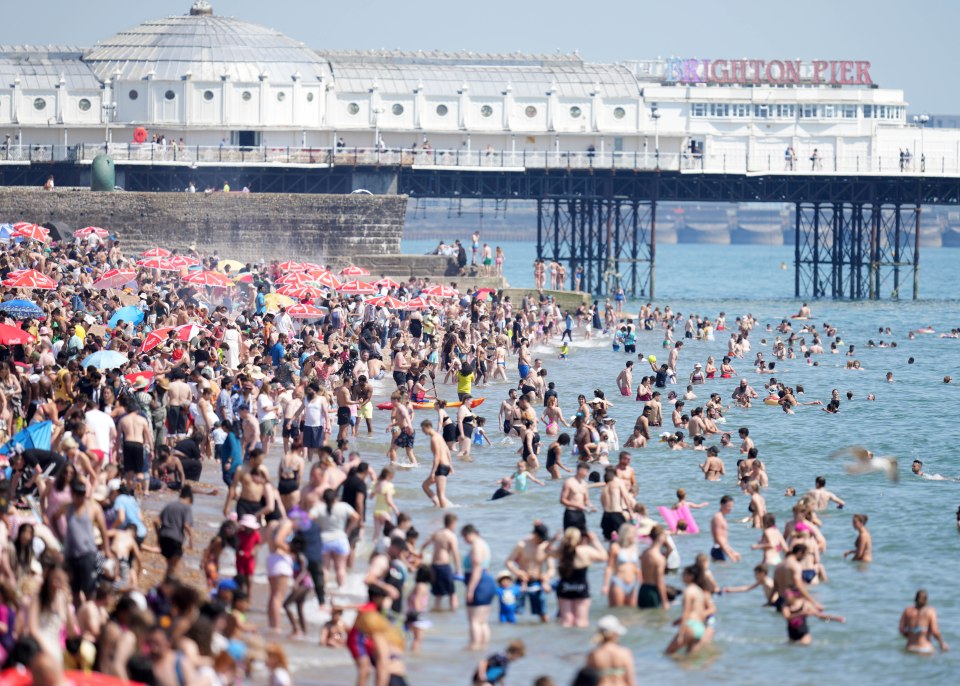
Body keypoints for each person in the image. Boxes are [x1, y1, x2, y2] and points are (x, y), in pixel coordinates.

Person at [553, 527, 607, 628]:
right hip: (581, 587)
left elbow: (545, 552)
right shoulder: (585, 550)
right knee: (581, 622)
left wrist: (554, 540)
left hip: (564, 588)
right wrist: (595, 540)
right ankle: (580, 643)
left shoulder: (561, 551)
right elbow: (604, 556)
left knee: (566, 622)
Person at [462, 524, 496, 650]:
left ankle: (474, 647)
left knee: (474, 621)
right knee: (483, 622)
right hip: (487, 583)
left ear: (469, 534)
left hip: (479, 584)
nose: (464, 540)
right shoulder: (484, 544)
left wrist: (470, 590)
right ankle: (483, 648)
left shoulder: (476, 545)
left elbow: (477, 568)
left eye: (464, 537)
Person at [155, 485, 194, 578]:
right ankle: (172, 586)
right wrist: (191, 539)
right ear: (189, 498)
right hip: (175, 539)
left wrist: (158, 534)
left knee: (169, 564)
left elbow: (156, 521)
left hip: (163, 538)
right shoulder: (186, 507)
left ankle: (166, 583)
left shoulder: (170, 505)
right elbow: (186, 525)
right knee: (175, 566)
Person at [585, 615, 636, 686]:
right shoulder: (624, 653)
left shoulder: (594, 654)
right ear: (615, 634)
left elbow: (588, 680)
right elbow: (630, 680)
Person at [710, 495, 740, 562]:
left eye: (732, 506)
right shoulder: (718, 517)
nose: (730, 508)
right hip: (718, 550)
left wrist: (732, 551)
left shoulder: (722, 517)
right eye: (728, 506)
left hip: (722, 549)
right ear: (721, 504)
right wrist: (730, 555)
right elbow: (719, 538)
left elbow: (724, 541)